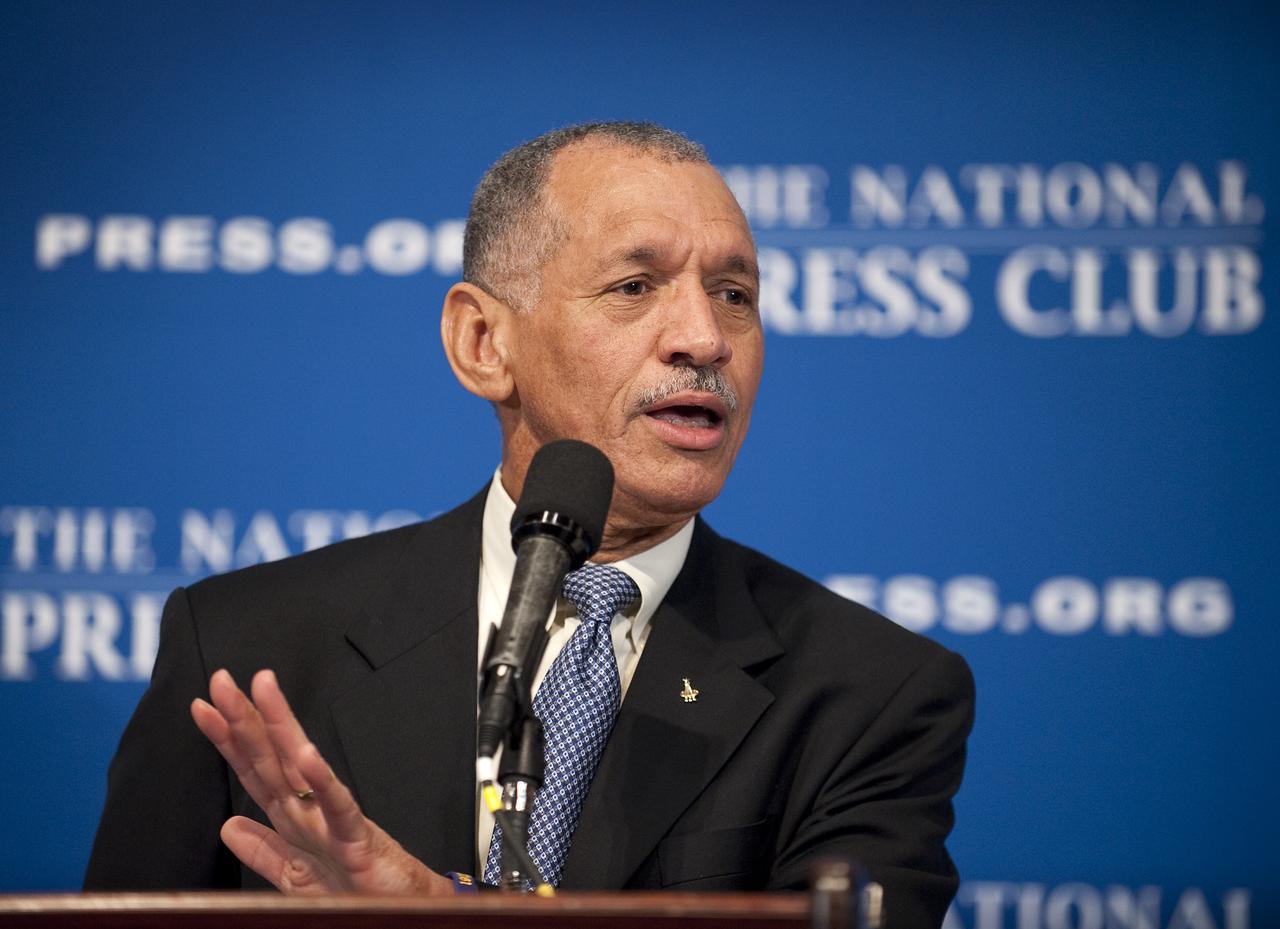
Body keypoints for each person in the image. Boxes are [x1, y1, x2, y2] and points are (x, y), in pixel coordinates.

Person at [85, 122, 975, 928]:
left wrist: (447, 917)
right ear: (484, 343)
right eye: (635, 285)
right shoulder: (248, 647)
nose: (705, 337)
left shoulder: (872, 694)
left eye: (735, 293)